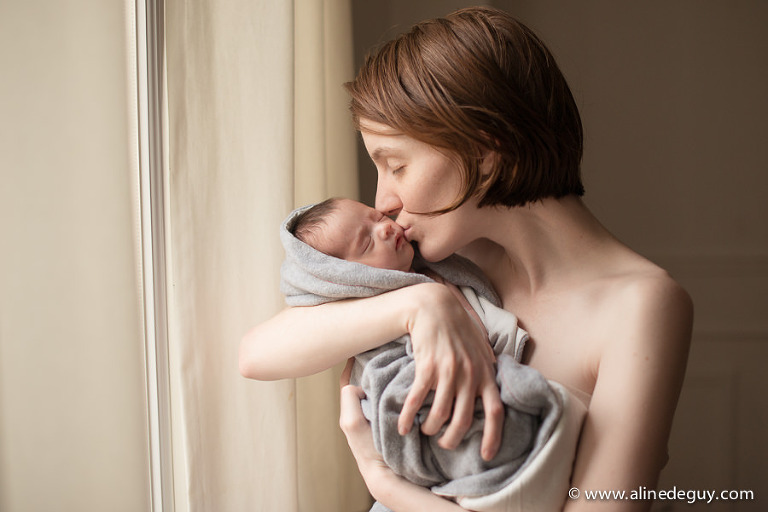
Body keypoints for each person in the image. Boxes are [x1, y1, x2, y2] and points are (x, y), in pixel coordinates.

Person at [239, 6, 693, 512]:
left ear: (484, 152)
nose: (383, 200)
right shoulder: (446, 266)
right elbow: (257, 354)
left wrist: (385, 484)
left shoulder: (643, 305)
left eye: (395, 165)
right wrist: (424, 306)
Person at [280, 196, 584, 512]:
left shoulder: (439, 267)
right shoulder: (371, 315)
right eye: (366, 242)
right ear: (347, 275)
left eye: (376, 217)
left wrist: (378, 478)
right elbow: (389, 382)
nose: (384, 227)